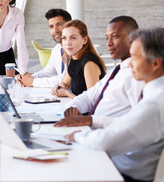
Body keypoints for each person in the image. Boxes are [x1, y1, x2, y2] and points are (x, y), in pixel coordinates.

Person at [65, 27, 164, 182]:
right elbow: (128, 123)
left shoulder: (154, 103)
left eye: (135, 58)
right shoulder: (156, 95)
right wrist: (93, 120)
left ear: (156, 63)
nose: (130, 64)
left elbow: (105, 140)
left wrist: (76, 136)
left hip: (122, 173)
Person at [55, 16, 144, 128]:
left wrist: (92, 121)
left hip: (108, 136)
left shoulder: (137, 76)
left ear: (134, 39)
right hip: (92, 130)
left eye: (115, 36)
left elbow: (138, 122)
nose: (109, 43)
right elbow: (89, 96)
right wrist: (73, 107)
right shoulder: (116, 71)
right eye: (107, 38)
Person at [52, 20, 106, 98]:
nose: (68, 43)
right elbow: (64, 83)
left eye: (73, 38)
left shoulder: (89, 63)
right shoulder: (74, 58)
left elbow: (92, 100)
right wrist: (57, 88)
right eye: (64, 38)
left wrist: (68, 94)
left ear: (85, 40)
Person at [18, 8, 72, 87]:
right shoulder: (56, 50)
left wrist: (33, 82)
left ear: (69, 25)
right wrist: (26, 78)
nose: (55, 30)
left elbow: (66, 79)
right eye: (51, 27)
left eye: (59, 24)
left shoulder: (75, 49)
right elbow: (47, 72)